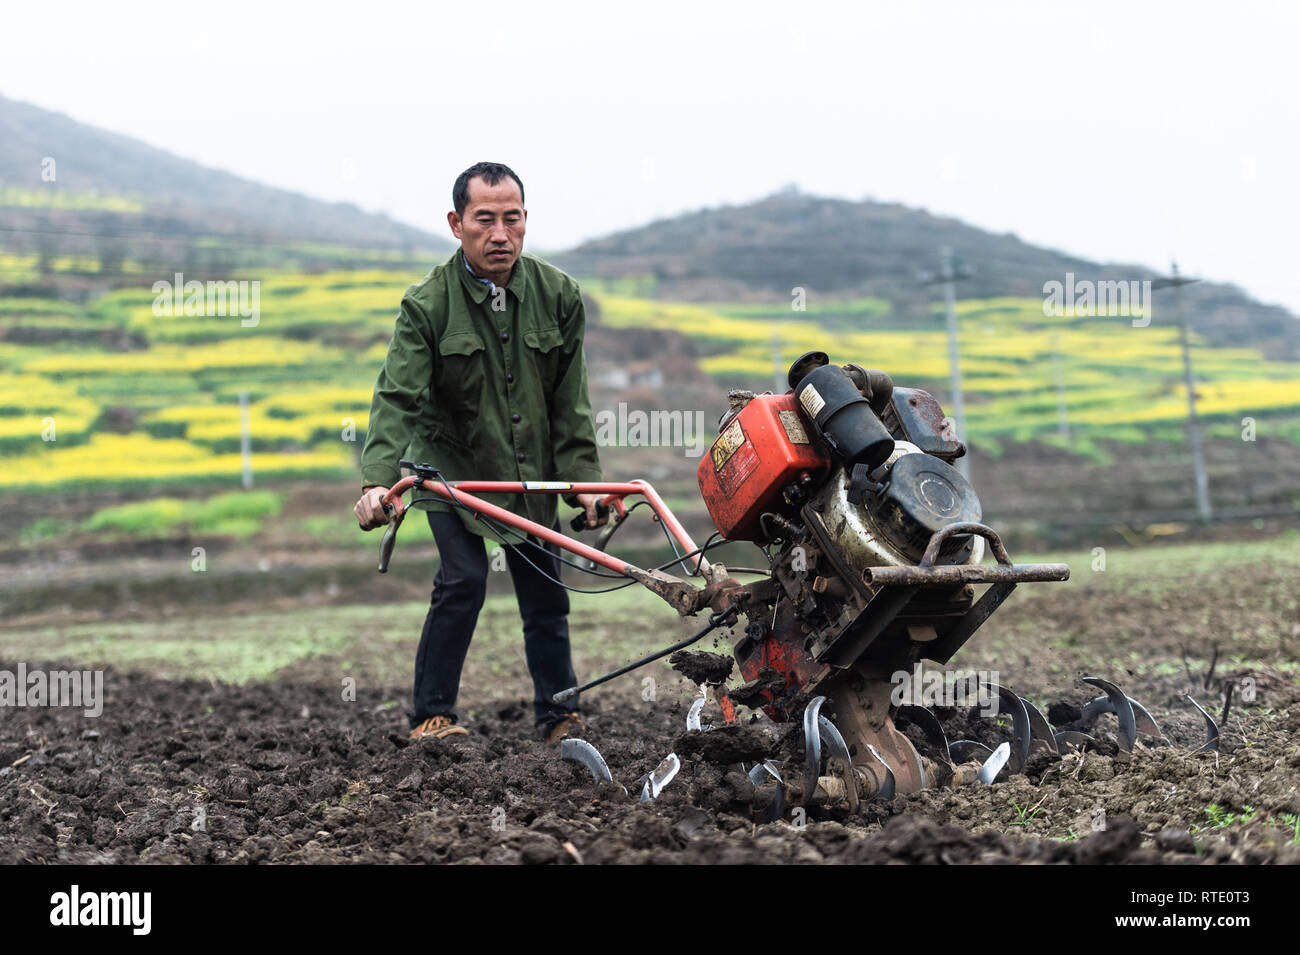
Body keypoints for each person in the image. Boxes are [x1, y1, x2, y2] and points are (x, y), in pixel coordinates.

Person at [353, 162, 607, 745]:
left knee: (546, 590)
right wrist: (376, 480)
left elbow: (571, 402)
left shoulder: (559, 295)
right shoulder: (427, 305)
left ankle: (558, 716)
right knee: (463, 580)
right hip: (452, 473)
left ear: (525, 221)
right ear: (456, 223)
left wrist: (583, 481)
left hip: (530, 475)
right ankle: (432, 716)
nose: (500, 234)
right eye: (484, 219)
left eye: (511, 219)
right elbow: (397, 397)